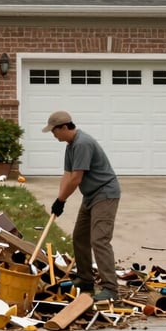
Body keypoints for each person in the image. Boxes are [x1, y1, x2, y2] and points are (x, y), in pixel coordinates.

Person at [42, 110, 121, 302]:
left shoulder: (83, 143)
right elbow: (67, 175)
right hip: (91, 195)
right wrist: (59, 200)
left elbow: (77, 178)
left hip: (105, 194)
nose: (53, 135)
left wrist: (62, 200)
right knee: (79, 237)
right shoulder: (70, 146)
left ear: (64, 127)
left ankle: (110, 289)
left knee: (99, 240)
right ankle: (86, 280)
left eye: (54, 131)